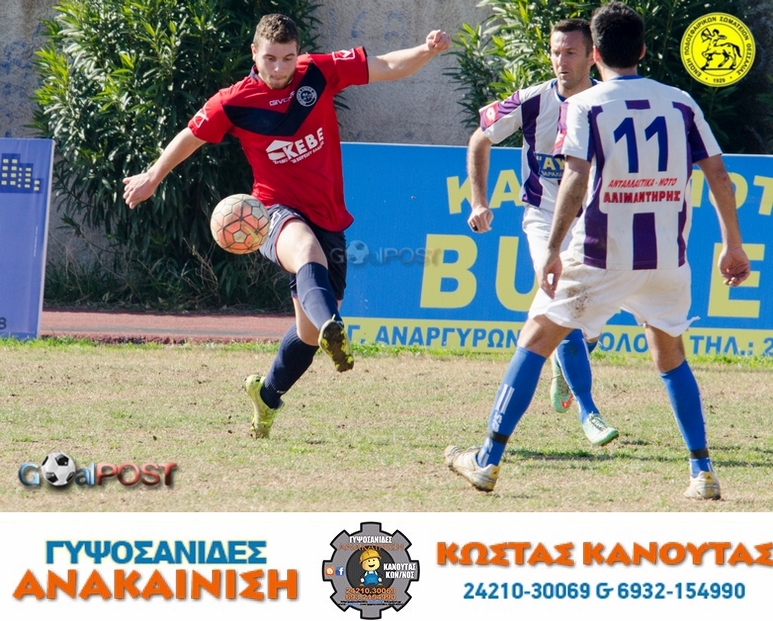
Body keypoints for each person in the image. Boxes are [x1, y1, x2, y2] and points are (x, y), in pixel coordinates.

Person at [445, 1, 750, 500]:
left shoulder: (585, 105)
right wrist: (732, 244)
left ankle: (487, 459)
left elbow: (575, 176)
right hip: (666, 260)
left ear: (596, 54)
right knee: (670, 357)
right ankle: (703, 472)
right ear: (643, 50)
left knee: (534, 340)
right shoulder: (680, 102)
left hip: (600, 254)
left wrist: (552, 248)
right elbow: (718, 174)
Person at [123, 14, 450, 439]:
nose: (279, 68)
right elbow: (192, 135)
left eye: (288, 58)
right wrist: (153, 176)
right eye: (270, 59)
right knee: (306, 252)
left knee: (306, 337)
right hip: (271, 211)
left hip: (328, 216)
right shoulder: (233, 102)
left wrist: (426, 50)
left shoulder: (318, 73)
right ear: (254, 53)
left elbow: (386, 65)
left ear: (299, 54)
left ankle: (268, 394)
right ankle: (333, 324)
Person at [466, 18, 618, 447]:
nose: (560, 61)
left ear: (592, 56)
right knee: (561, 304)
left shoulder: (609, 104)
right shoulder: (532, 100)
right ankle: (589, 412)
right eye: (555, 52)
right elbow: (480, 138)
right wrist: (479, 202)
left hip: (596, 222)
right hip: (544, 219)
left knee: (586, 325)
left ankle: (565, 366)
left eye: (570, 52)